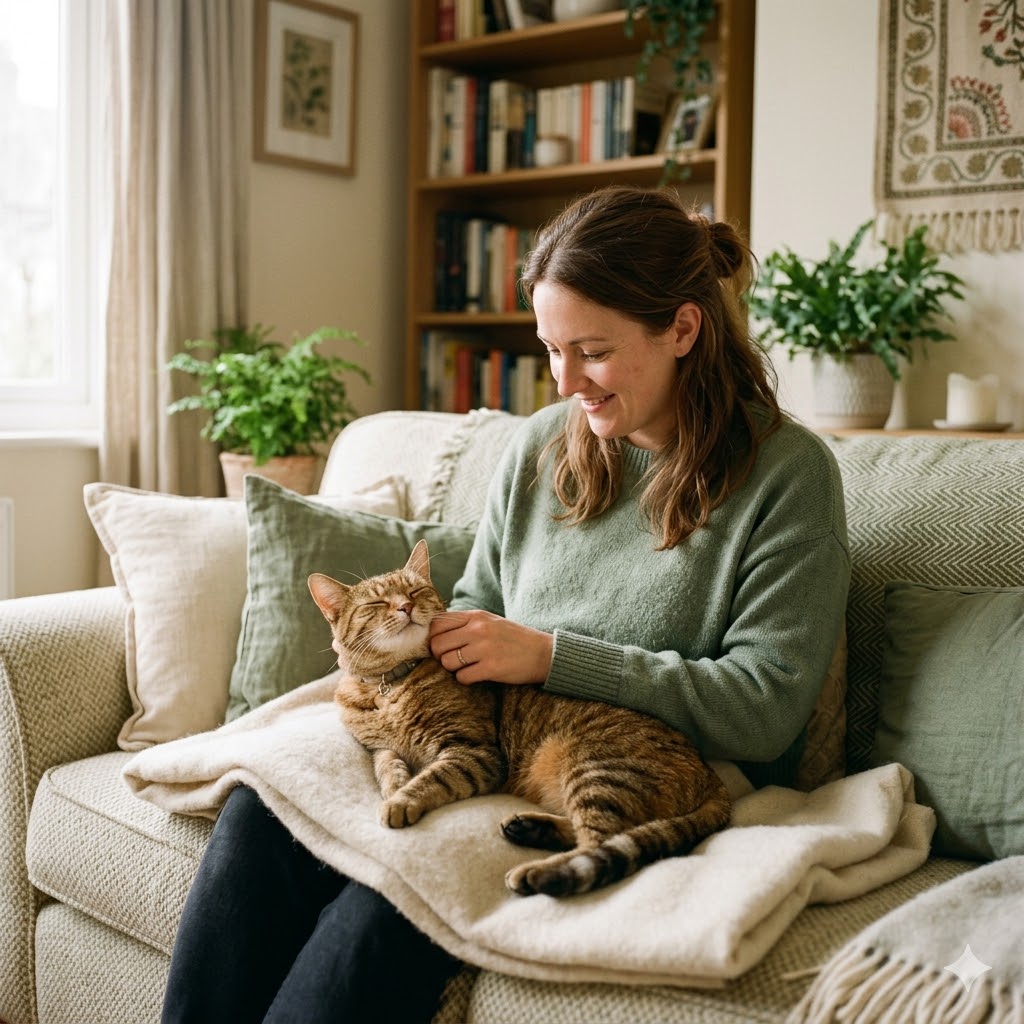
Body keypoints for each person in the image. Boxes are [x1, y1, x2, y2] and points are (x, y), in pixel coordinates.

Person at [162, 185, 849, 1023]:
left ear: (682, 328)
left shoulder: (787, 474)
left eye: (592, 351)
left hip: (631, 771)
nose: (566, 381)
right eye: (551, 349)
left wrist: (553, 657)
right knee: (258, 812)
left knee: (387, 898)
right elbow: (474, 611)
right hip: (488, 737)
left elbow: (766, 709)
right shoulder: (539, 447)